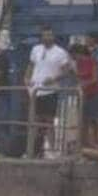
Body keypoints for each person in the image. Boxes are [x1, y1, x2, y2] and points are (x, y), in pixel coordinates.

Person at [25, 26, 71, 158]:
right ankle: (33, 150)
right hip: (35, 90)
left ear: (53, 36)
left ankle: (53, 150)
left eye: (50, 35)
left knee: (49, 121)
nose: (47, 38)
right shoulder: (36, 49)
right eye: (45, 35)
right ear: (41, 37)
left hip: (50, 91)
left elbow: (66, 70)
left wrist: (54, 78)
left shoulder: (60, 52)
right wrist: (26, 78)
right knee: (35, 121)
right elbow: (31, 65)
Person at [70, 43, 98, 148]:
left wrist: (83, 84)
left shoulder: (92, 61)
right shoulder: (78, 63)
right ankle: (84, 144)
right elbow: (78, 77)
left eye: (73, 55)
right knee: (83, 120)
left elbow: (95, 78)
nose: (73, 58)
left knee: (95, 120)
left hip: (94, 94)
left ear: (78, 53)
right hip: (83, 95)